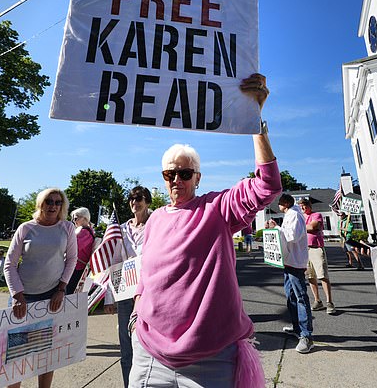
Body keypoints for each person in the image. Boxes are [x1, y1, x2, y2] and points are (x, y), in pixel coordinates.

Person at [129, 74, 281, 387]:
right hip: (148, 354)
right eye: (169, 173)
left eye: (184, 172)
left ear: (198, 177)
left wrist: (255, 120)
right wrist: (135, 317)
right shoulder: (155, 218)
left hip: (209, 359)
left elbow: (267, 186)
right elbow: (146, 274)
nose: (176, 179)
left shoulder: (217, 209)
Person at [4, 188, 77, 388]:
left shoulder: (67, 228)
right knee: (16, 353)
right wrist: (17, 295)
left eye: (57, 202)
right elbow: (9, 264)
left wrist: (62, 288)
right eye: (49, 201)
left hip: (51, 296)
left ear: (62, 206)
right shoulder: (26, 228)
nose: (53, 206)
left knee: (46, 352)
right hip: (23, 298)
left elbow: (72, 259)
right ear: (40, 204)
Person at [103, 186, 152, 387]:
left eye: (139, 198)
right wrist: (109, 297)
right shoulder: (121, 230)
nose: (134, 202)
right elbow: (112, 263)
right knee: (127, 347)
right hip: (126, 293)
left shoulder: (156, 224)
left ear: (147, 201)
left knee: (151, 344)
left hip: (151, 292)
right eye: (131, 199)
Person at [275, 194, 314, 353]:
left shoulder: (295, 215)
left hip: (296, 262)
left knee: (300, 297)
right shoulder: (291, 214)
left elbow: (292, 236)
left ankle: (307, 335)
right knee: (291, 296)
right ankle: (297, 328)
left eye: (279, 203)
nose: (277, 206)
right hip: (289, 261)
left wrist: (276, 229)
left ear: (284, 203)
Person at [298, 198, 336, 315]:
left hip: (316, 248)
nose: (303, 208)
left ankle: (329, 302)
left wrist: (299, 227)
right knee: (310, 276)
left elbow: (313, 226)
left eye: (304, 205)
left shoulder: (316, 215)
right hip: (304, 250)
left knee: (322, 275)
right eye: (301, 206)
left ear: (309, 206)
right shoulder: (300, 217)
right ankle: (317, 300)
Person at [67, 207, 95, 295]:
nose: (73, 221)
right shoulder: (87, 231)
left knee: (69, 294)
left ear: (85, 218)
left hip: (77, 268)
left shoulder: (84, 232)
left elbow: (73, 247)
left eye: (75, 218)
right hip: (77, 267)